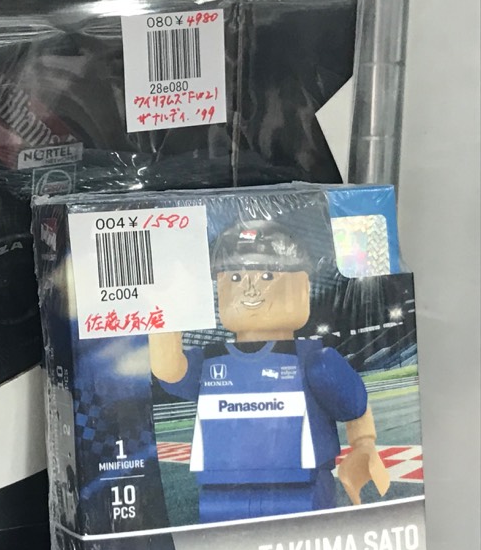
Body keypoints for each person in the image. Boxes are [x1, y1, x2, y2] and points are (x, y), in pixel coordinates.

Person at [149, 220, 390, 522]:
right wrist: (165, 310)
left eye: (266, 275)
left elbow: (354, 406)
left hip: (303, 490)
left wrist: (364, 444)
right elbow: (168, 368)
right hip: (222, 492)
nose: (249, 288)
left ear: (302, 287)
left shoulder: (314, 361)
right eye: (235, 277)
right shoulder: (211, 362)